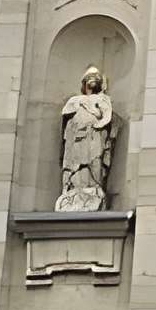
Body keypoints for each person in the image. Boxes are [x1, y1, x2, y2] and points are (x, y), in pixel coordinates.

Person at [57, 66, 116, 211]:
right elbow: (66, 116)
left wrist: (92, 113)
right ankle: (72, 189)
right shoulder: (75, 100)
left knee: (94, 160)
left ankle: (95, 187)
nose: (93, 81)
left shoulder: (103, 99)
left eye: (96, 78)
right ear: (84, 83)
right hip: (76, 138)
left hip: (94, 135)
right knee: (74, 164)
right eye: (90, 78)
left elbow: (106, 117)